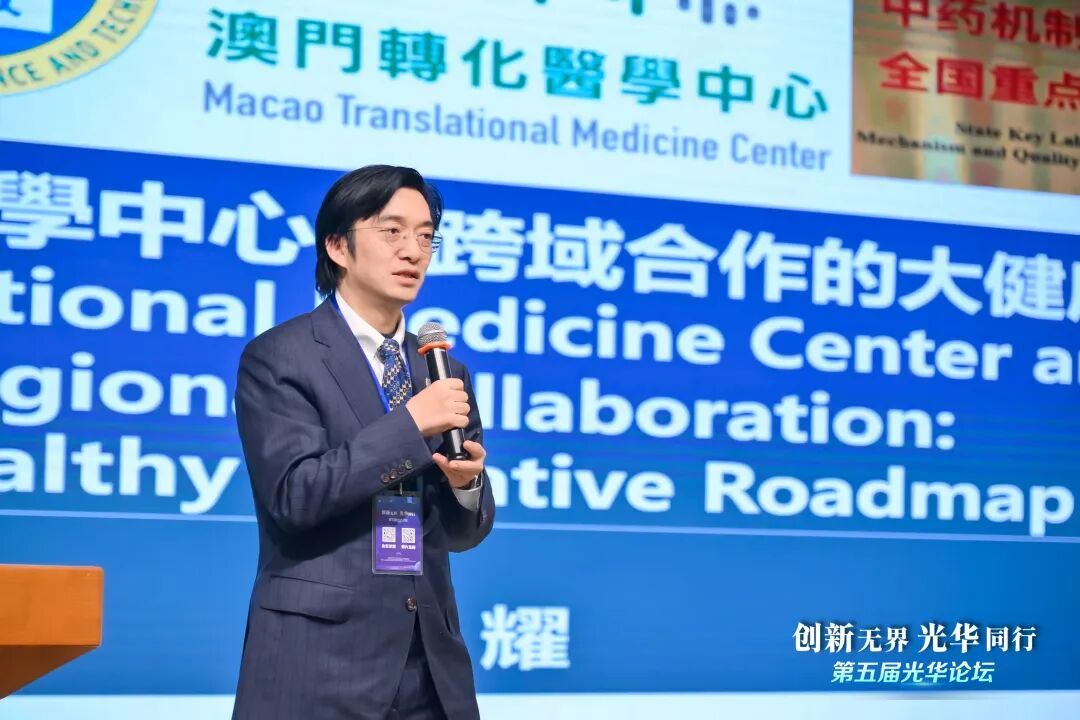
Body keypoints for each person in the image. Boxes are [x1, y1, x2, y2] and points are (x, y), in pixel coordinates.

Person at [231, 165, 495, 720]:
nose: (413, 251)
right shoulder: (281, 357)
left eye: (426, 236)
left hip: (430, 666)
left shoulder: (441, 370)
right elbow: (295, 497)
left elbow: (462, 534)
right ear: (338, 247)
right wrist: (410, 426)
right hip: (320, 661)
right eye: (392, 231)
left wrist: (466, 486)